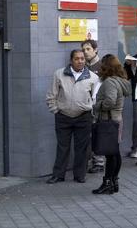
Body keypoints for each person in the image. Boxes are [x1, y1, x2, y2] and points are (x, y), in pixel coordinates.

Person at [46, 50, 99, 184]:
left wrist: (91, 111)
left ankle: (79, 175)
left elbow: (95, 98)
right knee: (62, 147)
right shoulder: (59, 74)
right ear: (71, 60)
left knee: (81, 148)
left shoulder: (92, 77)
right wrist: (55, 110)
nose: (80, 61)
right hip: (63, 116)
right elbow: (52, 94)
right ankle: (58, 175)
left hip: (83, 117)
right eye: (77, 59)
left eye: (82, 59)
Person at [91, 55, 131, 195]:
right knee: (114, 153)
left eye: (102, 65)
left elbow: (110, 102)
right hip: (116, 120)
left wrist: (97, 105)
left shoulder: (109, 82)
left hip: (109, 121)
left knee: (110, 154)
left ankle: (108, 182)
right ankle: (113, 181)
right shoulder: (120, 81)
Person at [82, 40, 105, 174]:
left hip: (98, 105)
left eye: (88, 49)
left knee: (98, 134)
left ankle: (99, 162)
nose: (85, 52)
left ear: (95, 50)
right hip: (85, 105)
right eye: (84, 49)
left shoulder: (102, 65)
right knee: (87, 135)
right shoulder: (82, 65)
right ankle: (88, 161)